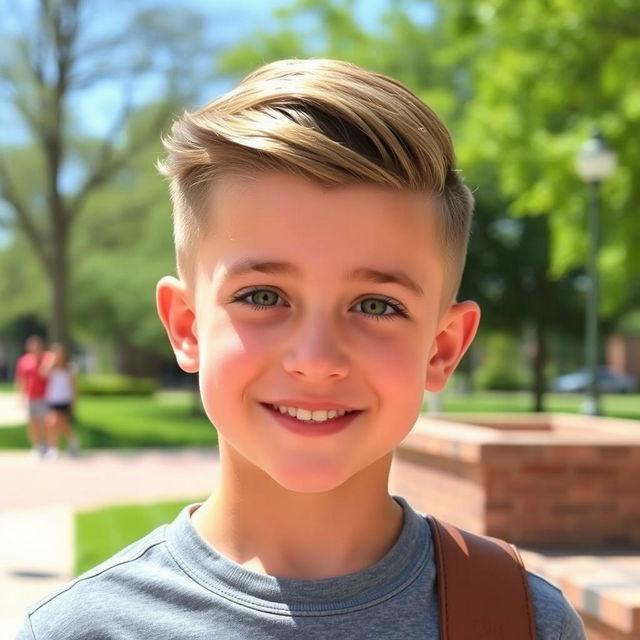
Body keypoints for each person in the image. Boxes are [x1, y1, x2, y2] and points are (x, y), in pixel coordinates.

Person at [17, 59, 586, 638]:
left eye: (375, 305)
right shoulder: (80, 629)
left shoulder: (523, 621)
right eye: (263, 296)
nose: (316, 359)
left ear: (442, 349)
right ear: (187, 326)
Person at [40, 342, 79, 460]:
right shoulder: (50, 366)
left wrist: (74, 401)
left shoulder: (70, 367)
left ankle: (71, 439)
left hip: (64, 399)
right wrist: (51, 363)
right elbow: (43, 374)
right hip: (52, 398)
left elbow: (73, 386)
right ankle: (54, 448)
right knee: (51, 423)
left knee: (60, 424)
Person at [14, 335, 49, 458]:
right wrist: (20, 396)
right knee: (32, 422)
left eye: (37, 346)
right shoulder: (24, 360)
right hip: (30, 396)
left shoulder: (48, 358)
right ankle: (36, 446)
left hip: (45, 396)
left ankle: (46, 445)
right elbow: (21, 380)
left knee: (44, 422)